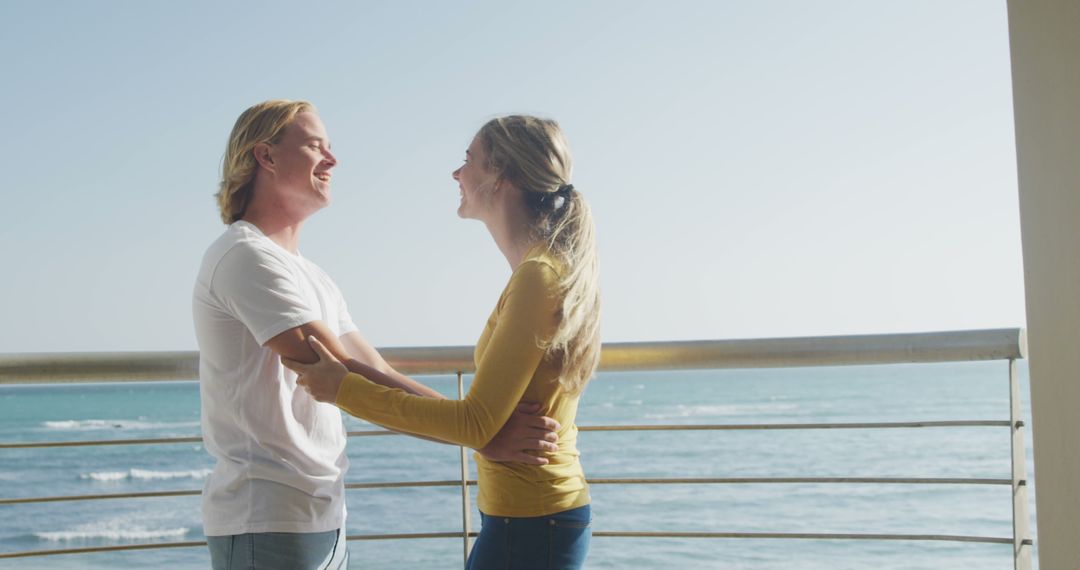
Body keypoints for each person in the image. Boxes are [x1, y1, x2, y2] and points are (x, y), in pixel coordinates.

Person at [193, 101, 561, 570]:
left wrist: (477, 429)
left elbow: (376, 370)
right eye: (315, 146)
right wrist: (482, 436)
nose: (333, 159)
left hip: (321, 513)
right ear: (265, 157)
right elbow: (339, 368)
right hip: (266, 517)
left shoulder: (313, 276)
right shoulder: (244, 256)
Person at [283, 115, 602, 570]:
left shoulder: (539, 276)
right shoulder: (538, 271)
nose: (457, 173)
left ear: (502, 177)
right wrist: (347, 374)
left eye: (468, 161)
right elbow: (485, 424)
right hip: (529, 518)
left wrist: (344, 391)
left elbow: (474, 424)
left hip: (532, 522)